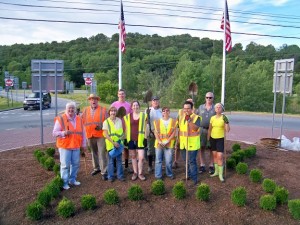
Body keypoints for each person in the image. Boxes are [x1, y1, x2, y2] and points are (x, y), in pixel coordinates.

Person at [53, 102, 87, 190]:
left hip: (76, 146)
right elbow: (54, 133)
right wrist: (63, 133)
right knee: (65, 165)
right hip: (65, 146)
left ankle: (72, 179)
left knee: (75, 164)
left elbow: (83, 133)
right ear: (66, 109)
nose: (71, 110)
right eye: (69, 108)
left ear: (75, 110)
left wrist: (83, 145)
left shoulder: (79, 119)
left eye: (73, 108)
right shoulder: (61, 118)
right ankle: (64, 182)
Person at [82, 94, 108, 180]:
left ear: (98, 100)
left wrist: (102, 127)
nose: (93, 101)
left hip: (100, 135)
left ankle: (104, 171)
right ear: (89, 101)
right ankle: (96, 168)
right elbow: (81, 121)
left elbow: (108, 122)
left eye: (95, 99)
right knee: (93, 153)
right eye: (92, 99)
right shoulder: (85, 110)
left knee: (101, 153)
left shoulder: (103, 110)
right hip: (90, 135)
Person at [178, 100, 201, 185]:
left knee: (191, 161)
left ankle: (194, 179)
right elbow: (179, 129)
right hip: (183, 143)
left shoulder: (196, 117)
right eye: (184, 108)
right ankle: (188, 175)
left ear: (192, 109)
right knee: (186, 161)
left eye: (188, 108)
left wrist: (190, 121)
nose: (186, 110)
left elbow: (195, 128)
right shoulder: (181, 117)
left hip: (192, 144)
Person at [124, 101, 147, 181]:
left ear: (139, 106)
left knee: (141, 157)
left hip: (140, 139)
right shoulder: (127, 117)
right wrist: (125, 138)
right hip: (131, 139)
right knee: (133, 156)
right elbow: (126, 128)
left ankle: (140, 173)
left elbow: (146, 127)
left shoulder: (144, 116)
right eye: (134, 105)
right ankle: (135, 172)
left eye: (137, 105)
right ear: (131, 107)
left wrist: (146, 138)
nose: (135, 106)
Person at [111, 89, 132, 173]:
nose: (121, 95)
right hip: (116, 130)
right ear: (118, 95)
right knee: (116, 147)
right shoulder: (114, 104)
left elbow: (131, 117)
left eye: (123, 94)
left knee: (126, 149)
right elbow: (110, 116)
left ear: (125, 95)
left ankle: (126, 166)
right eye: (120, 94)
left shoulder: (128, 105)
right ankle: (115, 166)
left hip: (126, 130)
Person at [208, 103, 230, 182]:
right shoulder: (212, 118)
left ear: (222, 109)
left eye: (219, 107)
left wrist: (226, 122)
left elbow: (227, 130)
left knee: (220, 156)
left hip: (220, 139)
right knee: (214, 156)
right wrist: (208, 139)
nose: (218, 108)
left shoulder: (224, 117)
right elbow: (210, 129)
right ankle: (216, 172)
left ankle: (221, 174)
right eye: (216, 107)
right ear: (214, 109)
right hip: (212, 138)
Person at [154, 106, 177, 180]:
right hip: (159, 143)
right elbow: (155, 133)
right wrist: (160, 141)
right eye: (164, 111)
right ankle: (158, 175)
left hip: (169, 143)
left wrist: (168, 141)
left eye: (167, 111)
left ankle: (169, 174)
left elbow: (174, 133)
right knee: (158, 160)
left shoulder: (174, 121)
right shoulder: (157, 121)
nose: (165, 112)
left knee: (168, 160)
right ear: (162, 112)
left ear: (169, 112)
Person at [103, 106, 125, 182]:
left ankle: (120, 175)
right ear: (109, 112)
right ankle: (110, 176)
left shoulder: (119, 120)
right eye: (112, 111)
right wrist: (113, 142)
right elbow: (105, 134)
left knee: (119, 160)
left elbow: (121, 133)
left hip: (119, 144)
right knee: (111, 161)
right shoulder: (106, 122)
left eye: (115, 111)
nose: (113, 112)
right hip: (110, 144)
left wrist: (118, 142)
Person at [197, 92, 216, 174]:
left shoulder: (215, 107)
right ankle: (202, 165)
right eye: (207, 97)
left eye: (210, 97)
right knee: (202, 147)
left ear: (213, 98)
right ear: (205, 98)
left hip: (212, 131)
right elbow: (196, 117)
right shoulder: (200, 107)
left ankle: (211, 165)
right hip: (202, 130)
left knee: (212, 148)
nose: (208, 99)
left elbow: (220, 117)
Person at [173, 98, 195, 169]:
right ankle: (175, 161)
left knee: (189, 149)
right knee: (177, 147)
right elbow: (177, 121)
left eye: (191, 102)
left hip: (191, 134)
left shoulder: (194, 111)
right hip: (181, 132)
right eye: (188, 101)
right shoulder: (181, 111)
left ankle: (188, 163)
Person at [146, 96, 162, 173]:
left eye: (156, 101)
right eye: (154, 101)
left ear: (158, 102)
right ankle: (150, 165)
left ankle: (158, 164)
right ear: (151, 102)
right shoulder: (148, 110)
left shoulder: (161, 111)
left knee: (158, 149)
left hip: (159, 133)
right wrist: (147, 115)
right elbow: (145, 121)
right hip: (151, 132)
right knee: (150, 149)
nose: (155, 102)